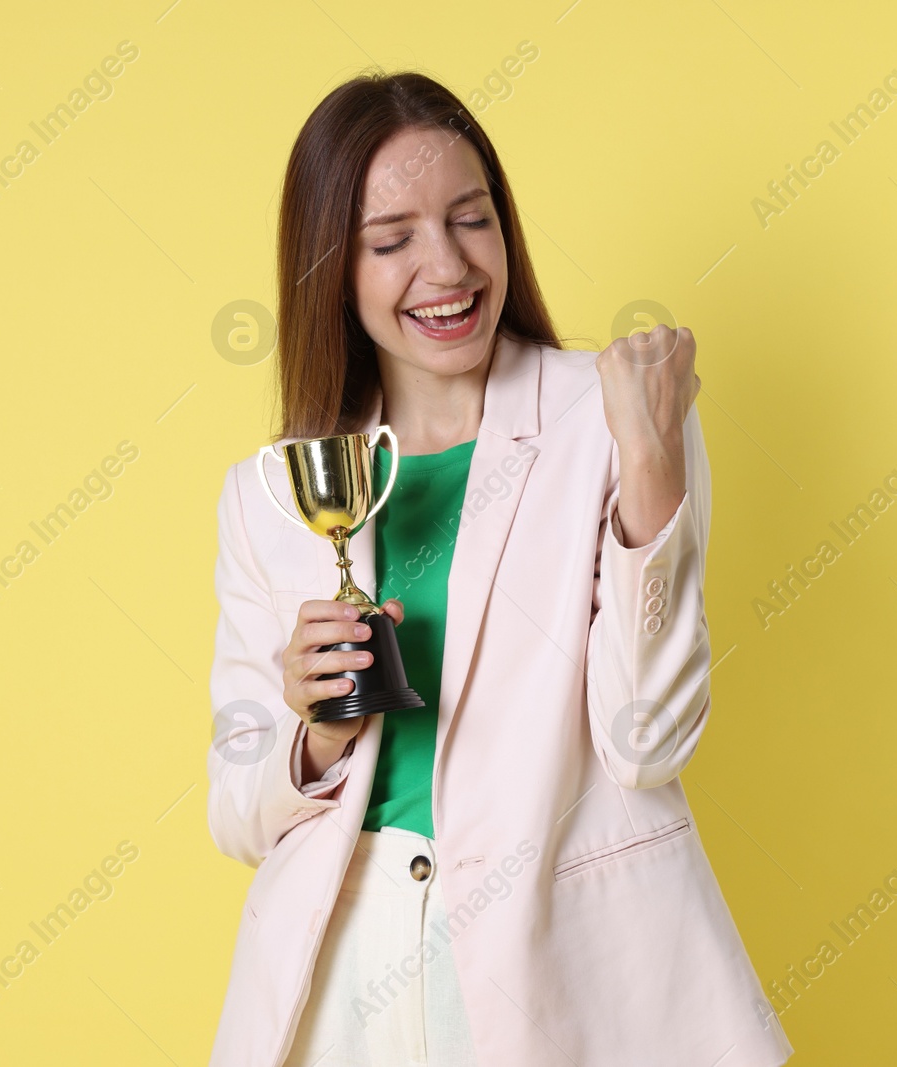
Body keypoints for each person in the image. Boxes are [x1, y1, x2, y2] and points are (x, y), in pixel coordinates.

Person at [208, 70, 794, 1067]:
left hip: (549, 966)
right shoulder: (275, 491)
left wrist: (648, 463)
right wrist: (312, 735)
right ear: (330, 271)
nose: (446, 266)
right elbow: (236, 810)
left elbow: (647, 740)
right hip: (338, 968)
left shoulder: (611, 417)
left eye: (470, 219)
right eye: (390, 240)